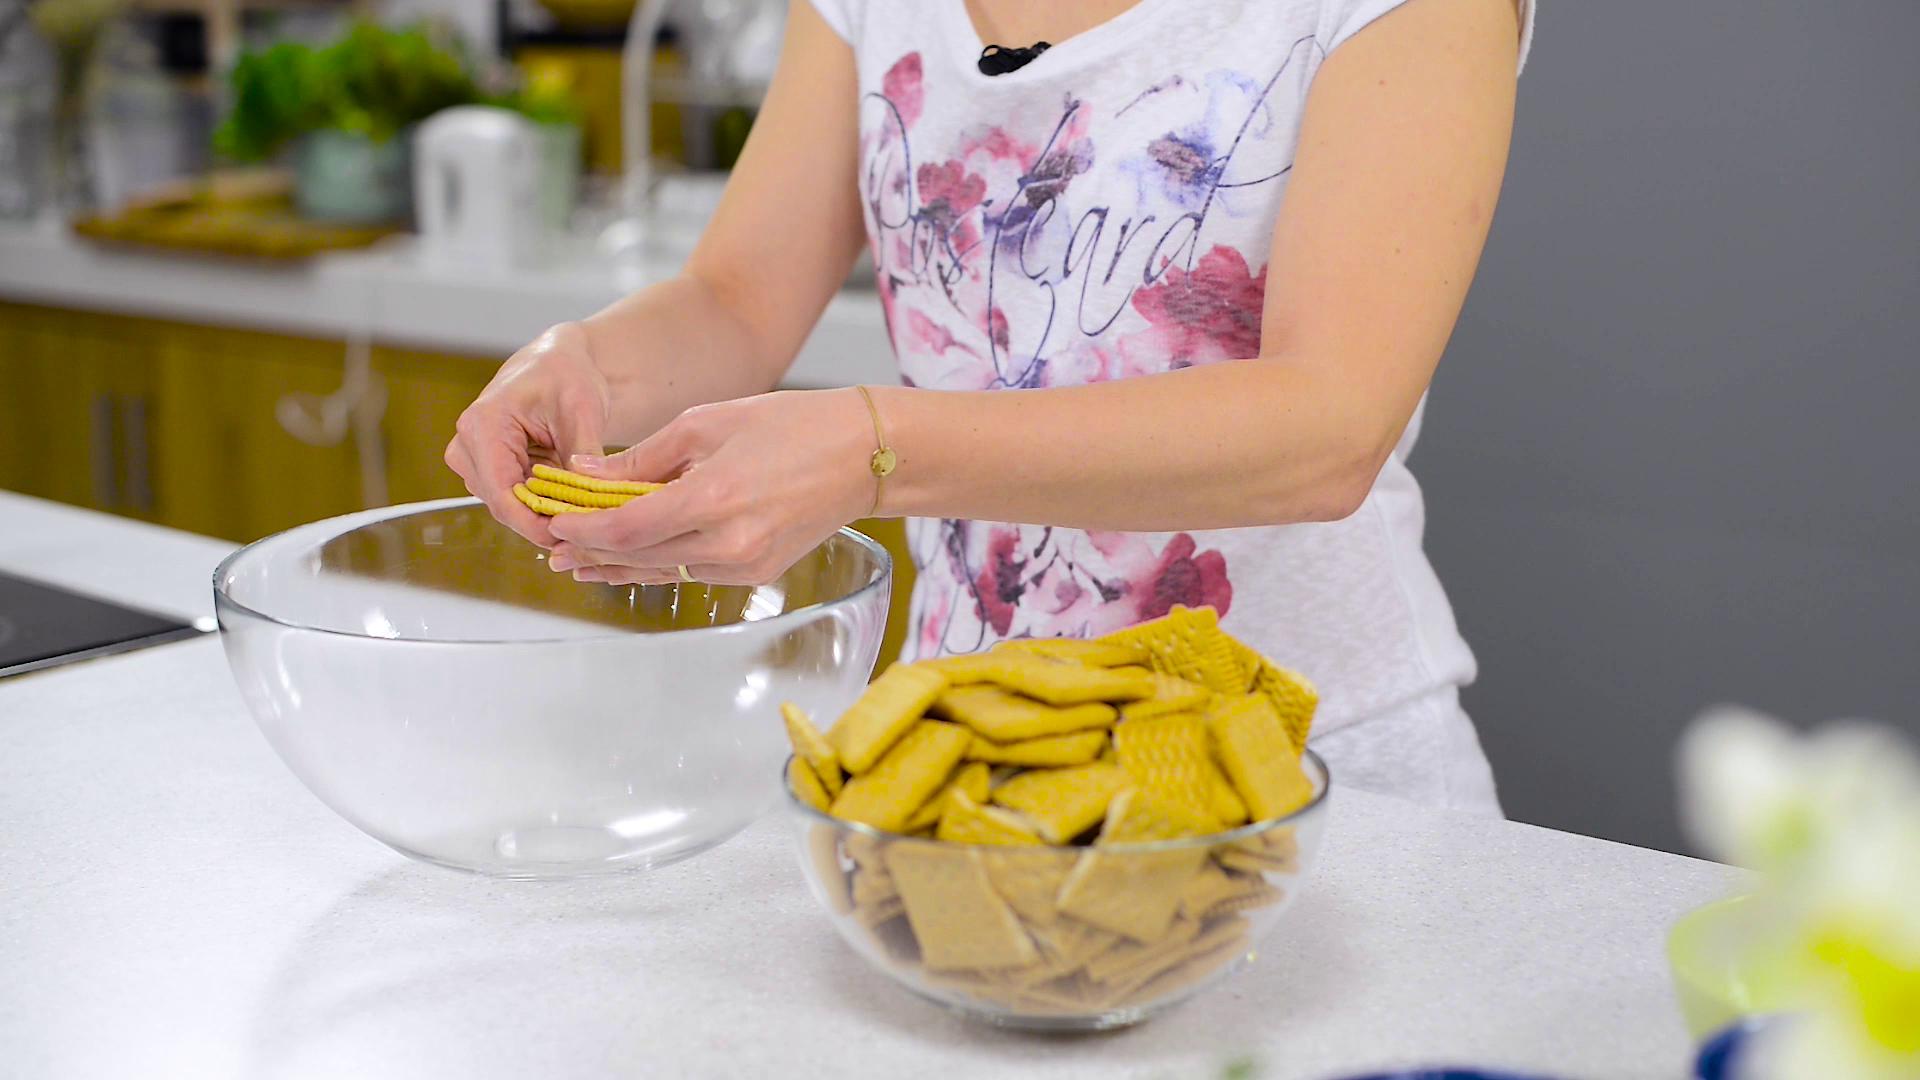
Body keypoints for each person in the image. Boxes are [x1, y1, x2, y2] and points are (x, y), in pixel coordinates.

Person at [446, 0, 1536, 815]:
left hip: (1305, 772)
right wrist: (584, 361)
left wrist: (876, 450)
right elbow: (735, 299)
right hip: (969, 769)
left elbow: (1329, 427)